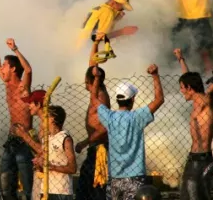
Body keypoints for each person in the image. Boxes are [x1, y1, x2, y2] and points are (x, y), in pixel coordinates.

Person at [94, 64, 164, 199]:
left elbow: (94, 100)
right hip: (135, 177)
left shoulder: (109, 117)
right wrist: (155, 75)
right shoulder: (138, 117)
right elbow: (159, 100)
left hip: (114, 177)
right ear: (132, 99)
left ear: (117, 100)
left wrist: (97, 78)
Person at [0, 35, 33, 200]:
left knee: (28, 186)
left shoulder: (23, 87)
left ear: (13, 69)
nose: (1, 68)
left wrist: (15, 49)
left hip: (25, 139)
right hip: (12, 139)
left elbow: (29, 70)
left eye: (5, 66)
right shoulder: (8, 84)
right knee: (5, 181)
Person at [173, 49, 213, 200]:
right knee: (188, 195)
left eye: (182, 87)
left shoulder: (206, 102)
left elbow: (208, 91)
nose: (181, 90)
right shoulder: (197, 103)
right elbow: (188, 78)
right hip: (193, 158)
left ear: (189, 88)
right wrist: (181, 60)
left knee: (198, 195)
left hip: (203, 159)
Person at [74, 39, 111, 200]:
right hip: (95, 147)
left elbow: (105, 127)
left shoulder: (100, 96)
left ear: (91, 81)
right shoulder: (95, 92)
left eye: (86, 78)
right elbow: (92, 65)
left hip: (100, 148)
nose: (84, 80)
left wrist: (85, 142)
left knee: (96, 189)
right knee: (86, 186)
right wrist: (95, 43)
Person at [31, 105, 76, 200]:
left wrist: (52, 166)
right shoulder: (46, 139)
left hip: (61, 191)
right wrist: (39, 164)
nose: (42, 117)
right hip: (45, 189)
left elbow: (72, 168)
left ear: (53, 119)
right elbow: (45, 165)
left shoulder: (65, 139)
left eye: (45, 115)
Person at [10, 90, 46, 200]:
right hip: (41, 171)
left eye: (30, 103)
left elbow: (42, 150)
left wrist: (24, 135)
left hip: (47, 177)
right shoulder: (42, 122)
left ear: (38, 104)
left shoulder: (47, 124)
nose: (28, 106)